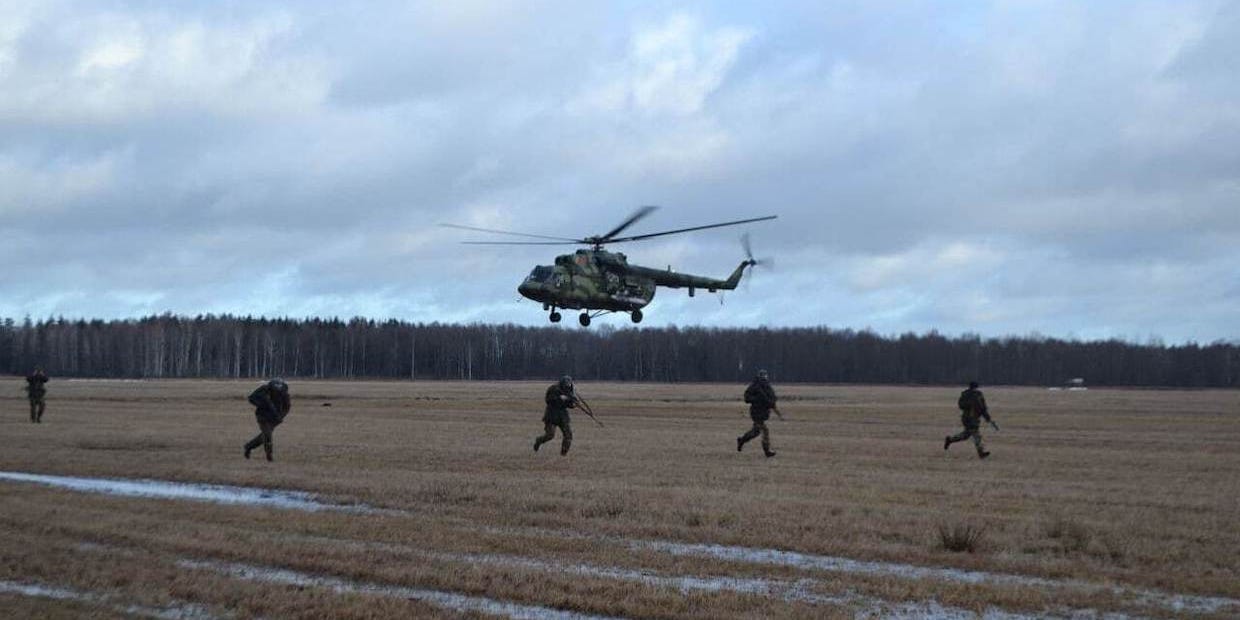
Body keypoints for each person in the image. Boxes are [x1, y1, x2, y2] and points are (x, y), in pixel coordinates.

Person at [244, 378, 291, 462]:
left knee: (264, 436)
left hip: (275, 418)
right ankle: (269, 456)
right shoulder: (264, 389)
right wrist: (261, 404)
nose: (277, 391)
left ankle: (248, 446)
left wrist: (280, 416)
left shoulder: (284, 393)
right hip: (262, 416)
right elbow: (251, 398)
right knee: (267, 434)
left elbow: (287, 407)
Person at [945, 381, 995, 459]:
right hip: (970, 418)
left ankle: (950, 440)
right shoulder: (974, 395)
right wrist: (987, 417)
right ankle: (981, 452)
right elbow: (981, 408)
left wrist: (987, 418)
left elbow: (982, 408)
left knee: (966, 435)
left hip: (969, 417)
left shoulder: (969, 394)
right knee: (976, 434)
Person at [737, 369, 781, 457]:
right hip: (756, 412)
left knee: (755, 432)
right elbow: (747, 398)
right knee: (765, 430)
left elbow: (773, 399)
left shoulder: (768, 387)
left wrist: (771, 405)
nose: (764, 378)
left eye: (765, 376)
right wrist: (757, 400)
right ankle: (767, 450)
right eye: (762, 376)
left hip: (764, 412)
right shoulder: (754, 386)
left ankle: (741, 440)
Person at [534, 375, 576, 456]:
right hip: (552, 415)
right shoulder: (553, 389)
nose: (567, 386)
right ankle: (538, 441)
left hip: (563, 416)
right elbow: (548, 400)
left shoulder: (570, 390)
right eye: (566, 384)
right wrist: (560, 398)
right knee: (550, 435)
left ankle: (564, 453)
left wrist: (572, 403)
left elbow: (571, 404)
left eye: (569, 384)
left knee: (568, 435)